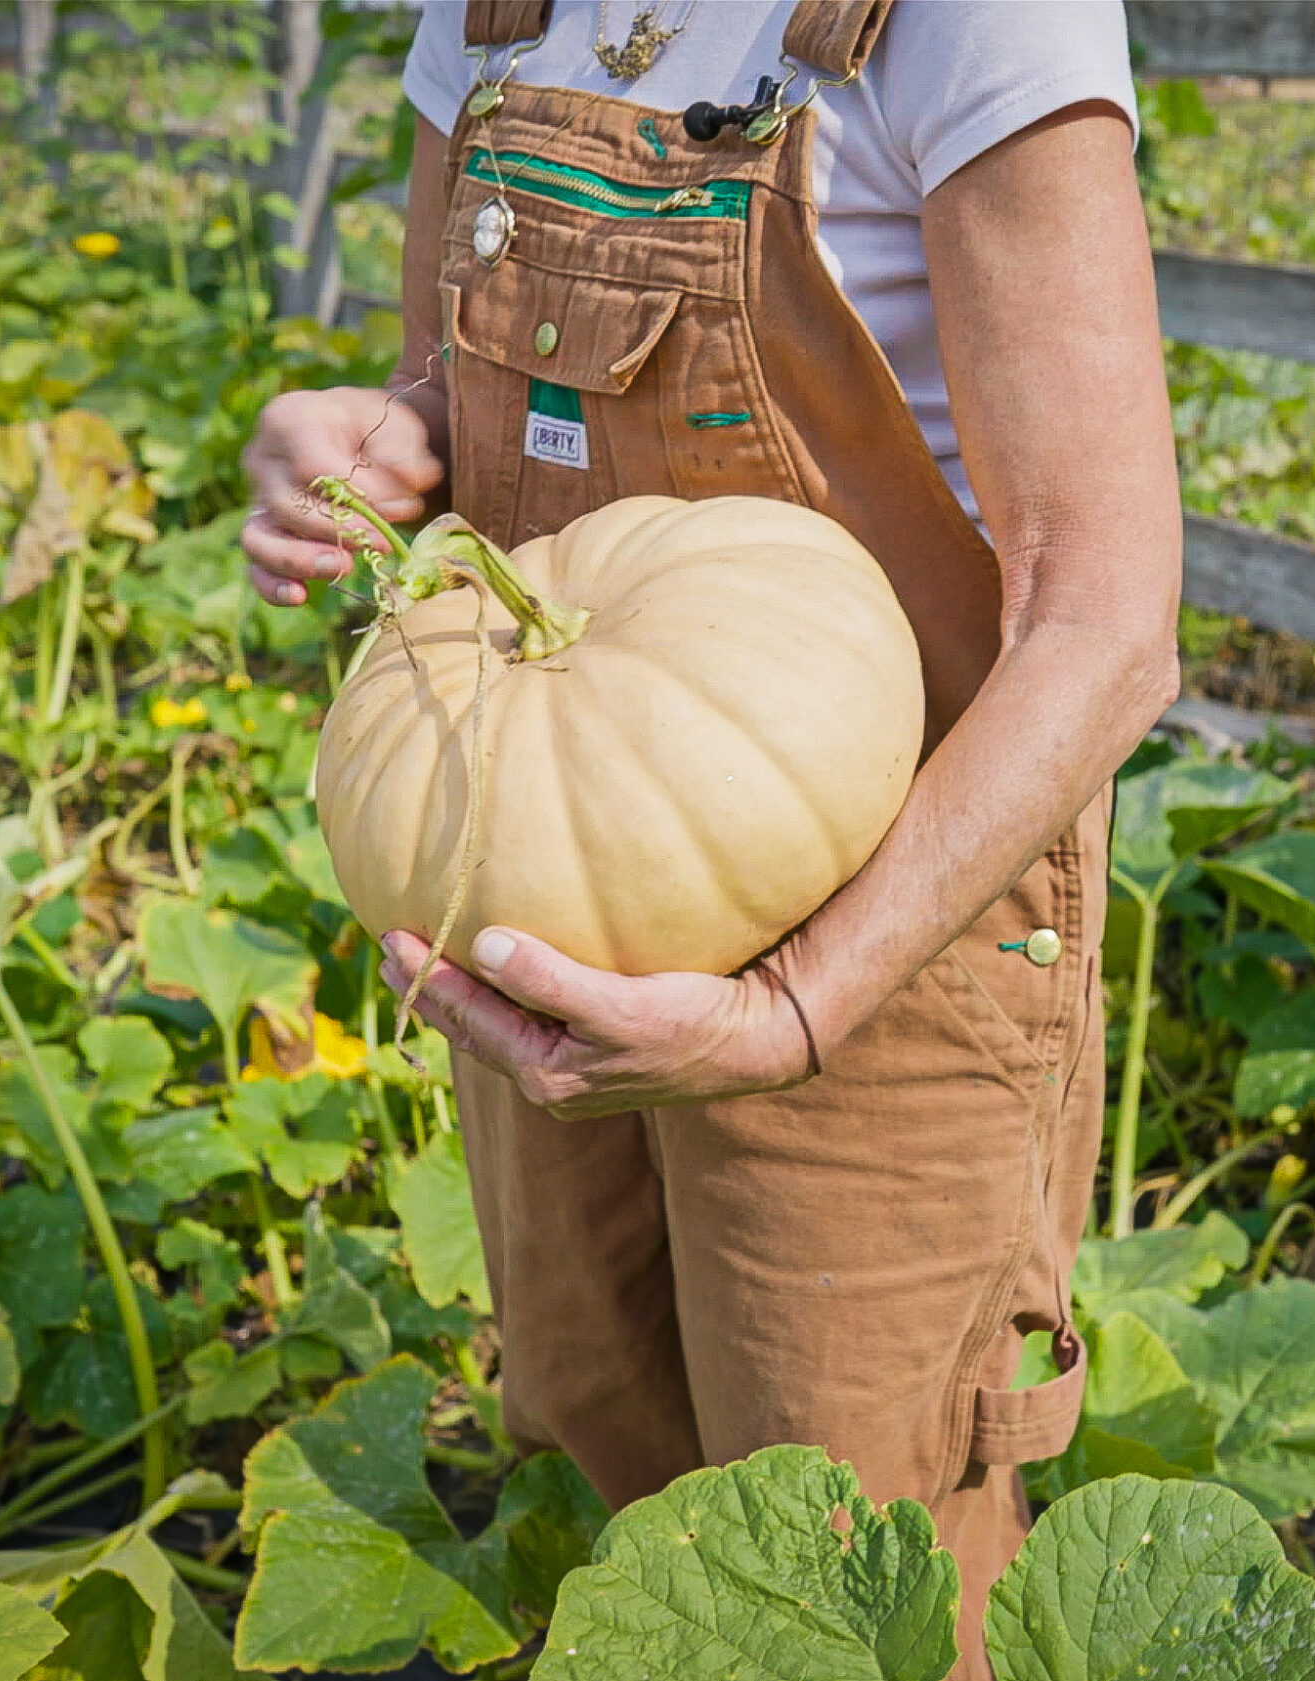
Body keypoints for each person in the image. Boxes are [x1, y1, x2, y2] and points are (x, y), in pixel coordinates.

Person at [239, 2, 1179, 1670]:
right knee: (610, 1452)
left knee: (846, 1538)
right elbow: (456, 413)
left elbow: (1108, 621)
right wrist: (374, 446)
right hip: (546, 878)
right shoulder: (499, 12)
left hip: (887, 921)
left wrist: (800, 1005)